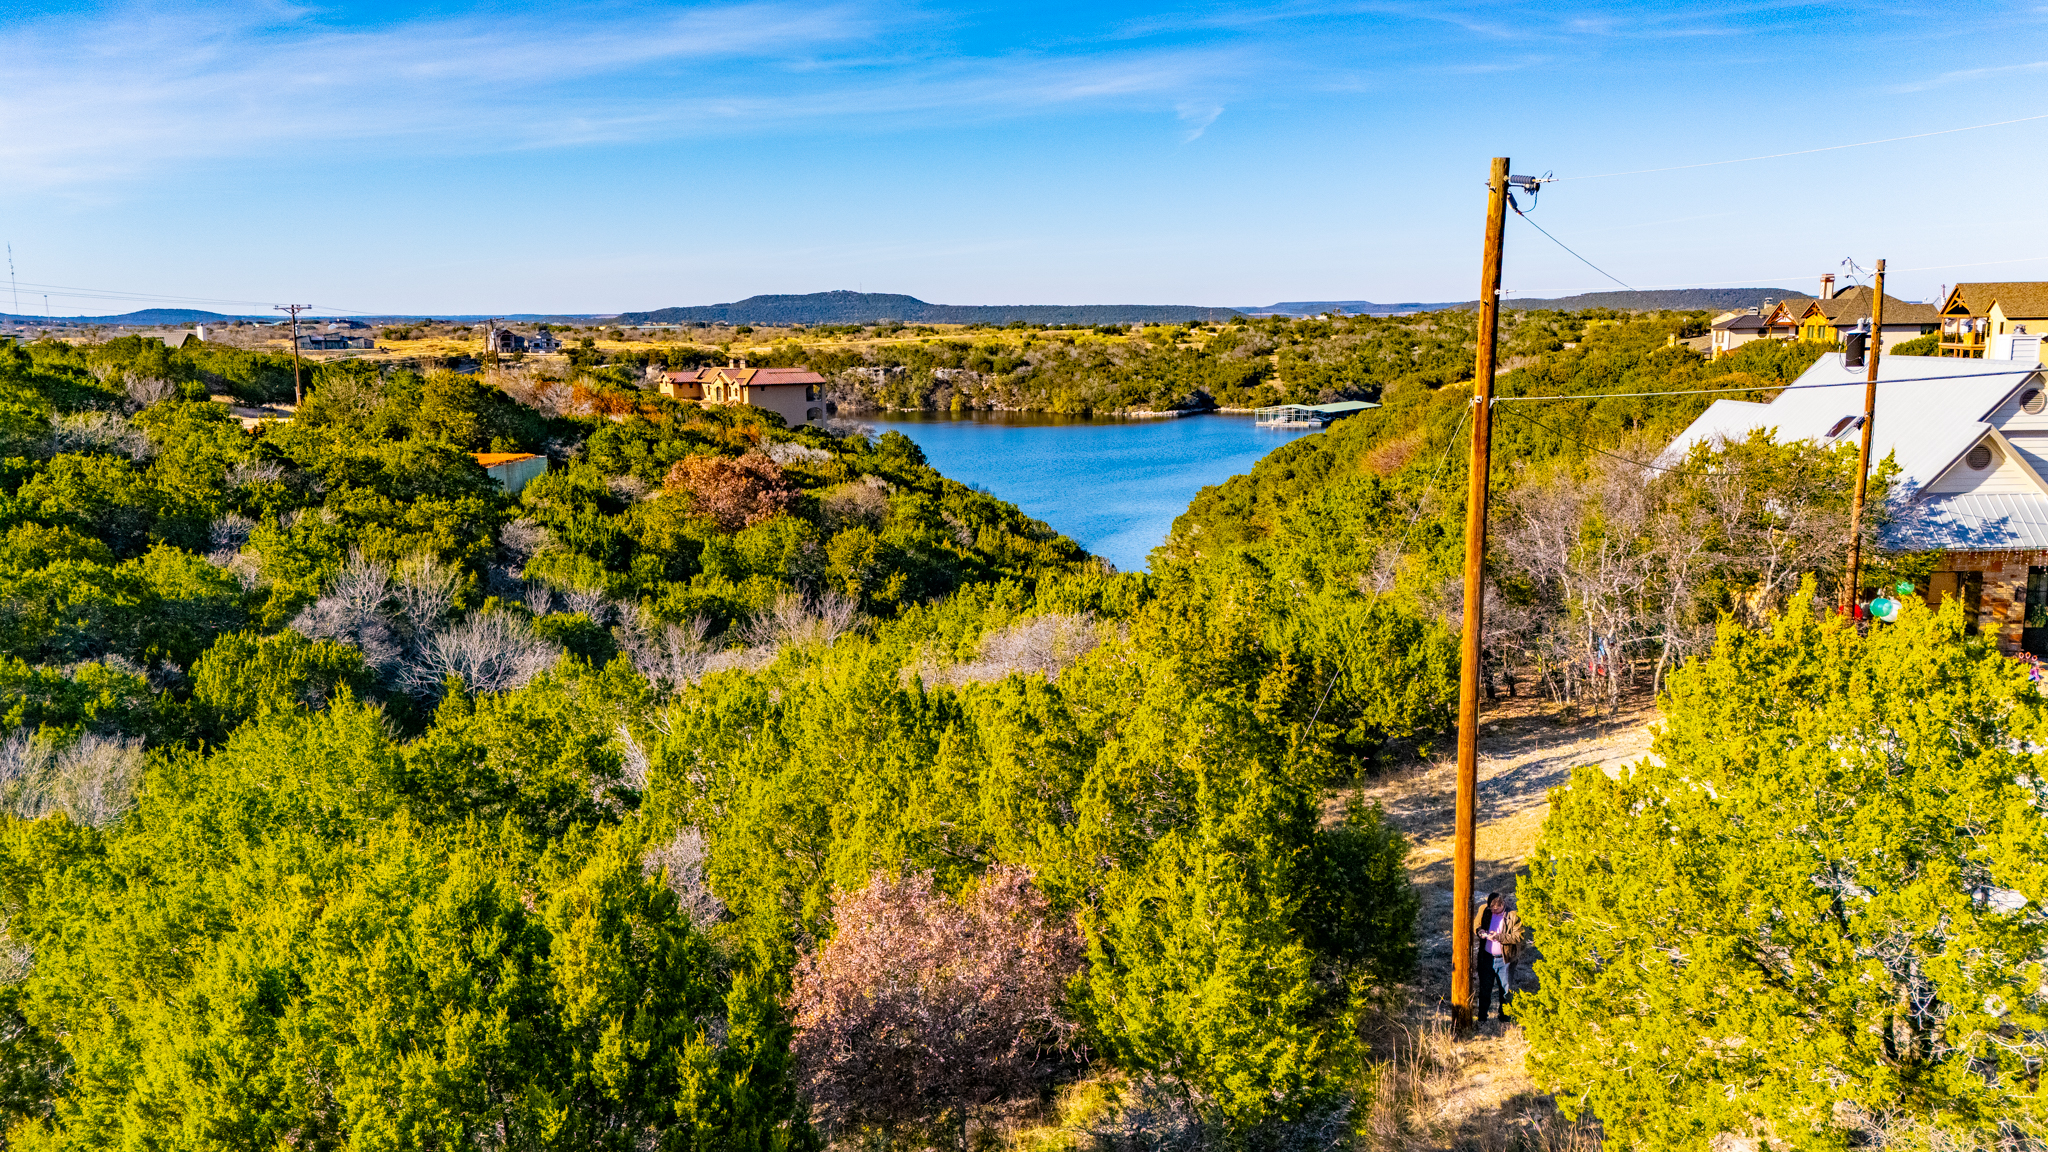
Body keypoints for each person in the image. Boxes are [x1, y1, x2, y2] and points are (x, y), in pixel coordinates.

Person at [1472, 891, 1522, 1022]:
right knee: (1484, 989)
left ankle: (1504, 1018)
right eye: (1491, 909)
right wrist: (1480, 931)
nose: (1493, 911)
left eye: (1496, 909)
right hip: (1486, 958)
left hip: (1505, 959)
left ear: (1502, 904)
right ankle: (1482, 1018)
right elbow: (1476, 924)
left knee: (1505, 991)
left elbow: (1519, 936)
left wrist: (1499, 937)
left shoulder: (1513, 915)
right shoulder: (1484, 909)